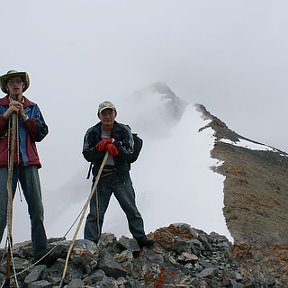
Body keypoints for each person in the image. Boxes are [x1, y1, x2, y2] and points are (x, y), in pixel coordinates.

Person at [82, 101, 155, 248]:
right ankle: (90, 244)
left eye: (110, 112)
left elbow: (129, 152)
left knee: (130, 208)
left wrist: (115, 145)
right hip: (101, 177)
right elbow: (87, 154)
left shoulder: (123, 130)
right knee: (95, 213)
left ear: (115, 114)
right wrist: (99, 148)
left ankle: (140, 237)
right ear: (99, 115)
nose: (107, 116)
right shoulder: (92, 132)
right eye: (104, 113)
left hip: (120, 176)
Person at [0, 70, 48, 260]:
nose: (15, 84)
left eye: (18, 81)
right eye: (11, 82)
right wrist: (6, 115)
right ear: (6, 87)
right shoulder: (1, 106)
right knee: (1, 211)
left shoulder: (31, 107)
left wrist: (24, 117)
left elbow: (41, 133)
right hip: (4, 164)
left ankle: (41, 252)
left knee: (36, 209)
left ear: (23, 85)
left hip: (28, 163)